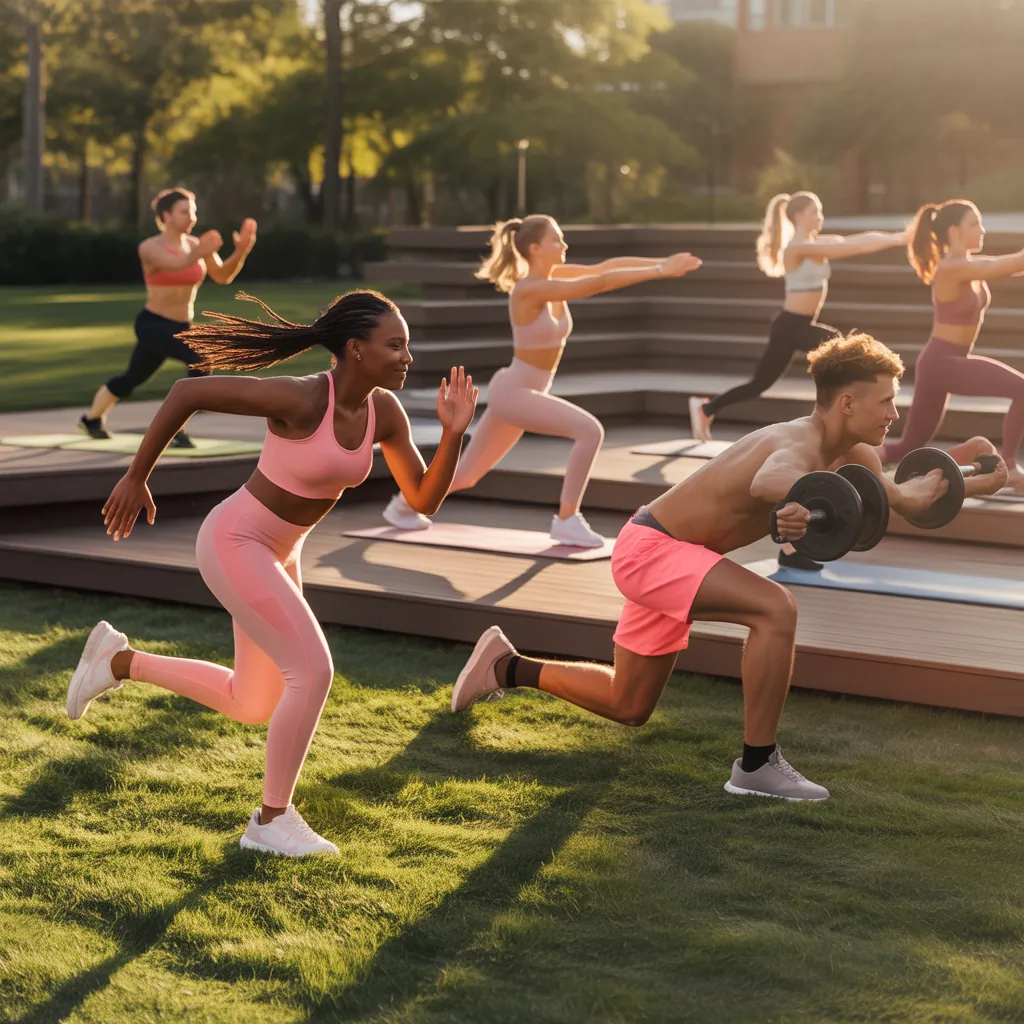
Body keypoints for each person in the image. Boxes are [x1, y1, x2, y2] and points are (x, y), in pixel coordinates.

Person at [451, 333, 1007, 802]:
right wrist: (797, 505)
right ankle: (757, 765)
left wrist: (978, 475)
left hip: (674, 556)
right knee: (775, 608)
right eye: (886, 401)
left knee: (629, 704)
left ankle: (505, 667)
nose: (895, 413)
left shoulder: (853, 454)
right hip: (652, 551)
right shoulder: (799, 442)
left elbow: (903, 500)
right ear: (845, 404)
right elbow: (769, 481)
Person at [66, 290, 478, 856]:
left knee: (253, 701)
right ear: (356, 350)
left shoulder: (385, 411)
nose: (407, 356)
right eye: (396, 345)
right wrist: (137, 476)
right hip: (236, 540)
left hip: (282, 551)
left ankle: (115, 662)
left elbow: (424, 498)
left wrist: (453, 434)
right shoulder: (304, 398)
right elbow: (187, 391)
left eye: (406, 345)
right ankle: (270, 821)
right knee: (313, 671)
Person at [382, 214, 702, 547]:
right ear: (535, 248)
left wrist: (663, 263)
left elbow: (604, 267)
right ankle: (566, 519)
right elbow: (600, 283)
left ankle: (403, 505)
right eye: (556, 239)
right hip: (516, 391)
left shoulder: (553, 276)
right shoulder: (529, 289)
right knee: (590, 431)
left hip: (521, 390)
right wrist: (658, 272)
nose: (563, 245)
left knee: (466, 475)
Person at [688, 191, 908, 570]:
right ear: (801, 215)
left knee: (792, 370)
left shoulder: (815, 244)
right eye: (817, 212)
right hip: (791, 326)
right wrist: (896, 239)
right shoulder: (796, 248)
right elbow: (848, 249)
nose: (821, 218)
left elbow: (853, 242)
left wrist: (895, 238)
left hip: (801, 326)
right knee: (835, 358)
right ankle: (709, 407)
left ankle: (708, 406)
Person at [79, 187, 258, 448]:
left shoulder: (196, 245)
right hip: (153, 323)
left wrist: (241, 251)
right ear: (167, 215)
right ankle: (174, 430)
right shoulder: (150, 247)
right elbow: (177, 264)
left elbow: (222, 276)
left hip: (182, 325)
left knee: (133, 378)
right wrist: (202, 251)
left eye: (193, 211)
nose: (192, 217)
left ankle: (91, 419)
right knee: (199, 359)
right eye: (185, 212)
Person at [880, 199, 1024, 492]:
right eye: (975, 223)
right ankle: (1009, 466)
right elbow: (1004, 264)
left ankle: (852, 460)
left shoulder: (968, 266)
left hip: (948, 361)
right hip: (940, 362)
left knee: (909, 446)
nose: (982, 230)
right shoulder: (950, 269)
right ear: (954, 231)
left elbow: (1010, 267)